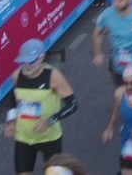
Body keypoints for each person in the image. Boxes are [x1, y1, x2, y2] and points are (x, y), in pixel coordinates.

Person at [6, 40, 78, 175]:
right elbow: (13, 100)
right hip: (24, 138)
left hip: (49, 138)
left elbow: (73, 105)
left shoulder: (53, 77)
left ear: (42, 57)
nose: (26, 66)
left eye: (31, 61)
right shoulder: (17, 76)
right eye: (24, 62)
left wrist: (50, 121)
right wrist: (11, 122)